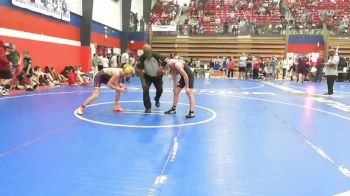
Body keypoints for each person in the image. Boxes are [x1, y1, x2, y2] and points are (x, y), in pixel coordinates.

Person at [137, 45, 167, 113]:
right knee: (145, 89)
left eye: (148, 52)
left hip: (157, 76)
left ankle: (157, 99)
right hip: (147, 76)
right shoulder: (141, 58)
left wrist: (161, 69)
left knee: (160, 90)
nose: (147, 54)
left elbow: (166, 62)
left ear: (151, 51)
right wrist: (143, 83)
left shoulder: (157, 55)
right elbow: (140, 71)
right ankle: (148, 107)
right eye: (145, 53)